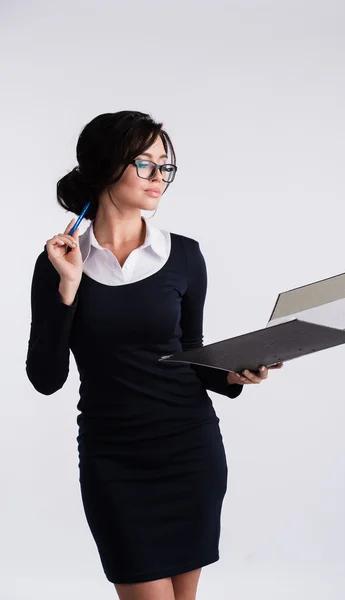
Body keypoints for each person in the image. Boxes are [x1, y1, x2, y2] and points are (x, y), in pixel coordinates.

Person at [25, 110, 283, 600]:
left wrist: (235, 372)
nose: (160, 177)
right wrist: (68, 286)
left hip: (190, 451)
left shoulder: (185, 255)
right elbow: (46, 377)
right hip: (115, 460)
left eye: (166, 166)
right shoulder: (60, 261)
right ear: (106, 166)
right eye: (146, 164)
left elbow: (188, 351)